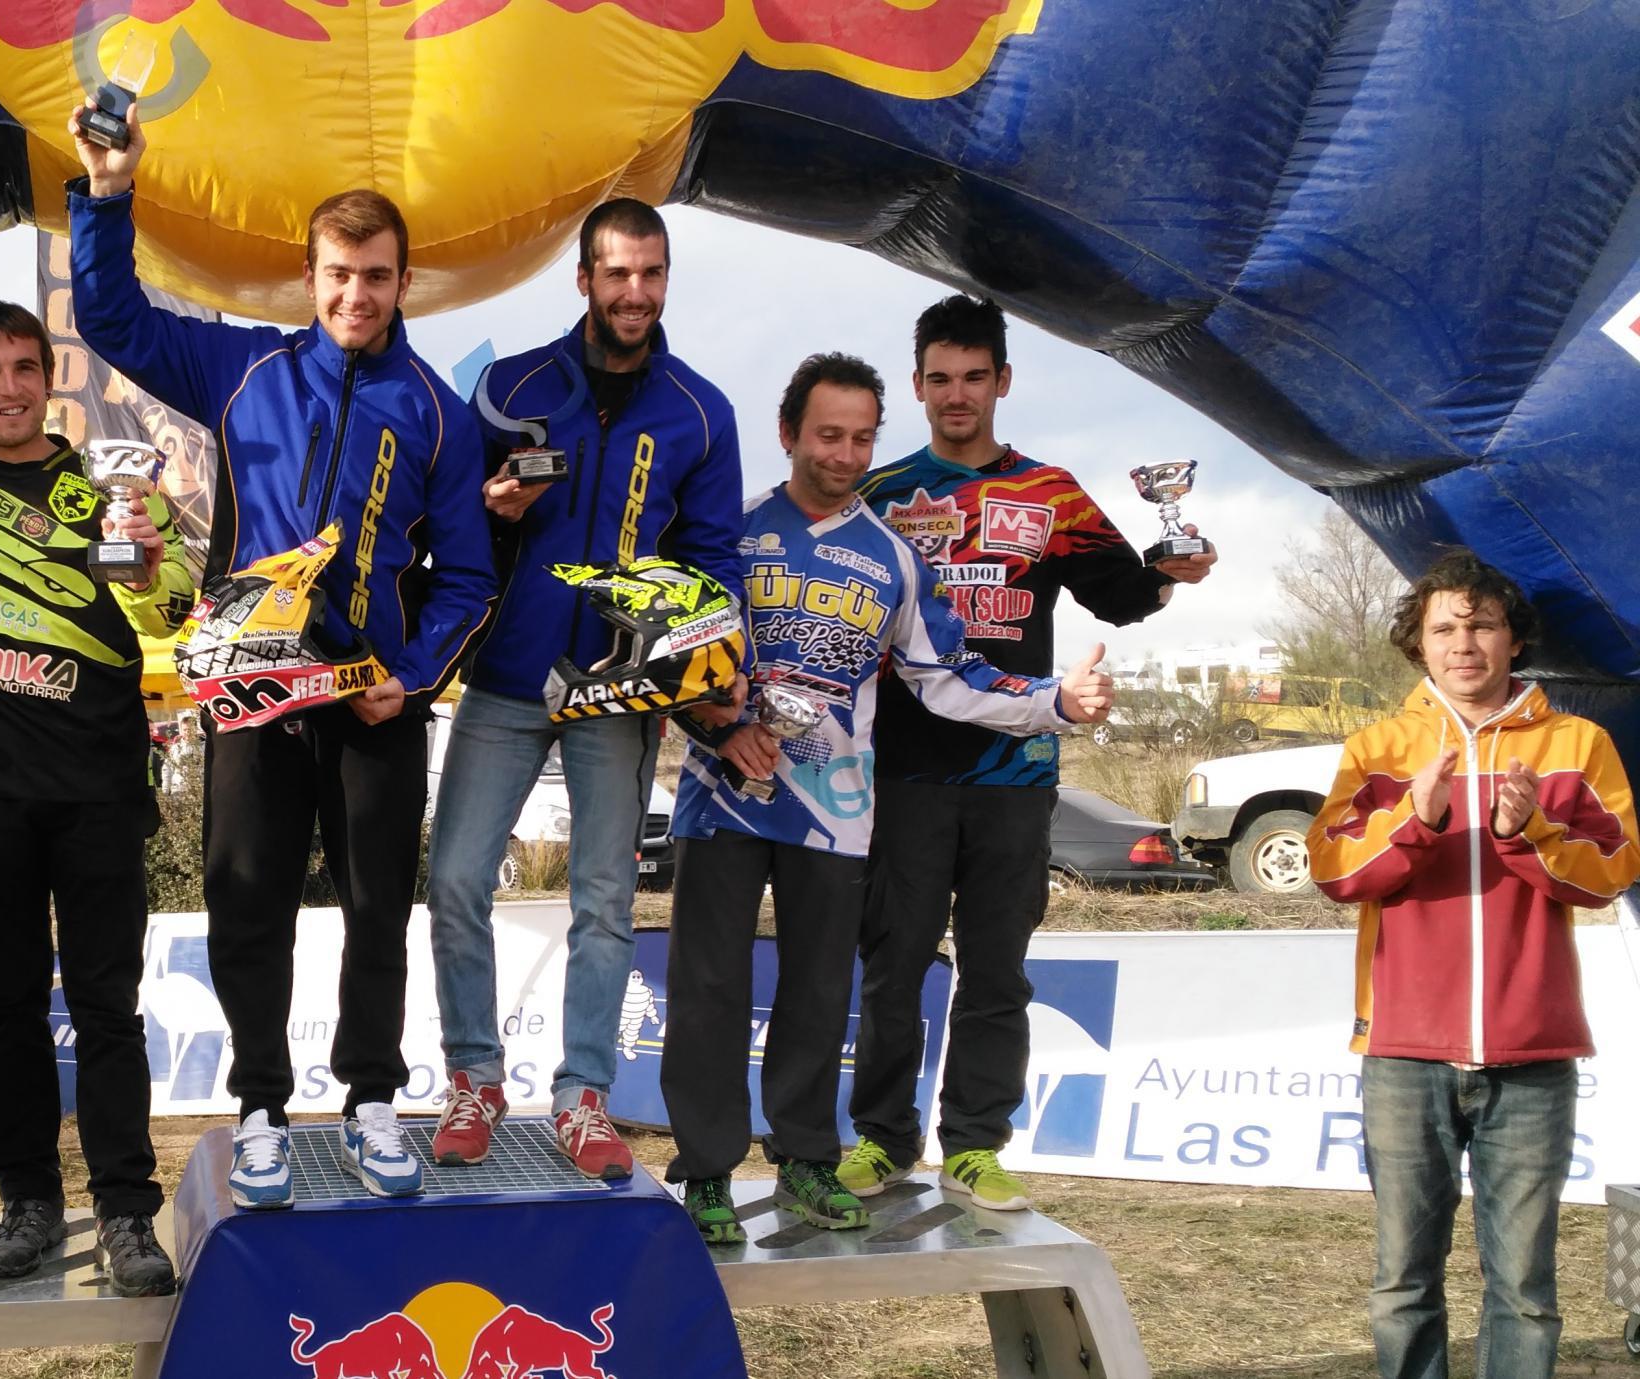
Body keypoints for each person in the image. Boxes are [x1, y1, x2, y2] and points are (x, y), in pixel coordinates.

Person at [67, 102, 495, 1203]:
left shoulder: (438, 413)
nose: (357, 294)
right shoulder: (240, 370)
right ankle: (258, 1104)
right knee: (243, 897)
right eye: (339, 273)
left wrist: (411, 679)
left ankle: (368, 1100)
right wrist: (108, 194)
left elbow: (469, 576)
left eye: (378, 275)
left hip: (373, 708)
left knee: (375, 912)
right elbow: (111, 318)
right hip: (253, 694)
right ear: (309, 276)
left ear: (405, 282)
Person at [661, 354, 1113, 1243]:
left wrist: (1053, 702)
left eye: (863, 437)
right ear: (789, 431)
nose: (845, 453)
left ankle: (804, 1160)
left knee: (821, 992)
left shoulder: (894, 558)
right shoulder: (729, 532)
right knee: (708, 985)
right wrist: (717, 728)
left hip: (835, 809)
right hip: (725, 795)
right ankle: (707, 1172)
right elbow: (671, 659)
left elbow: (948, 677)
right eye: (828, 435)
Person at [839, 294, 1218, 1209]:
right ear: (918, 387)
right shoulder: (880, 495)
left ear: (1003, 381)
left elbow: (1122, 597)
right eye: (939, 379)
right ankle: (882, 1141)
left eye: (975, 377)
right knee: (894, 967)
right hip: (904, 773)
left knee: (997, 967)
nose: (957, 395)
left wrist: (1172, 571)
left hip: (1017, 776)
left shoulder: (1051, 493)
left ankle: (975, 1144)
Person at [426, 198, 744, 1178]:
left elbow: (715, 559)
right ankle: (475, 1077)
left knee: (604, 899)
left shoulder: (700, 410)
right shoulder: (509, 385)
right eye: (616, 274)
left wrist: (706, 665)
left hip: (619, 695)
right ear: (584, 280)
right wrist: (493, 510)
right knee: (451, 880)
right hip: (508, 677)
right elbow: (449, 531)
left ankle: (582, 1097)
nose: (634, 293)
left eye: (650, 274)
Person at [1306, 548, 1637, 1379]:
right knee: (1402, 1281)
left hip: (1534, 1054)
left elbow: (1612, 871)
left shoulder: (1577, 742)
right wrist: (1414, 818)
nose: (1465, 641)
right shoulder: (1379, 745)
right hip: (1403, 1053)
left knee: (1524, 1284)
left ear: (1514, 640)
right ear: (1418, 643)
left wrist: (1530, 830)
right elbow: (1335, 871)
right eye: (1445, 626)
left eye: (1483, 623)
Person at [0, 302, 191, 1294]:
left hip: (99, 786)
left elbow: (170, 611)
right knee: (10, 1003)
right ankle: (27, 1201)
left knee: (107, 1006)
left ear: (50, 377)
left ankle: (125, 1210)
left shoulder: (116, 489)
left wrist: (154, 570)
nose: (9, 385)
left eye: (24, 365)